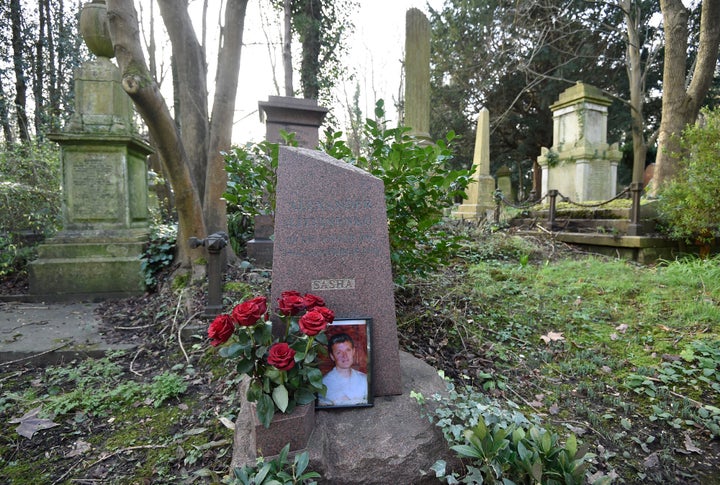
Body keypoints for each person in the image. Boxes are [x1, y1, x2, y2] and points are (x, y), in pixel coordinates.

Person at [318, 333, 367, 406]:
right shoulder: (324, 384)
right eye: (339, 352)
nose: (345, 356)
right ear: (332, 356)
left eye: (348, 350)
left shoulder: (364, 379)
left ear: (353, 351)